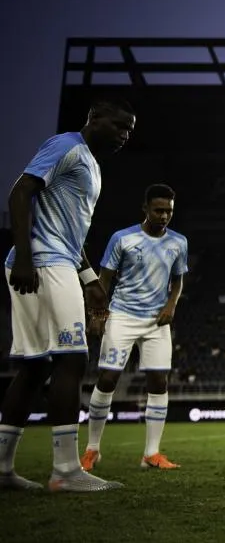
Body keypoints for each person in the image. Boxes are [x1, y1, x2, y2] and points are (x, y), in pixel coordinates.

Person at [0, 97, 135, 492]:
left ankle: (3, 469)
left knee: (35, 366)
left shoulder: (92, 164)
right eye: (120, 126)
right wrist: (25, 256)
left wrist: (91, 279)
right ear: (95, 118)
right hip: (43, 262)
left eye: (130, 130)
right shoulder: (66, 145)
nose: (125, 136)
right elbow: (19, 193)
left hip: (55, 260)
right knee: (72, 359)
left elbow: (70, 233)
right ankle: (65, 470)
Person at [82, 184, 189, 472]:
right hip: (122, 316)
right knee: (108, 378)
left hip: (157, 321)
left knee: (159, 382)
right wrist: (97, 315)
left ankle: (151, 454)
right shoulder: (123, 238)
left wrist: (171, 306)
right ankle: (92, 450)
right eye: (159, 210)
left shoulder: (179, 242)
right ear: (145, 208)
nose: (164, 215)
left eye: (169, 210)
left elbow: (178, 281)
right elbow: (105, 280)